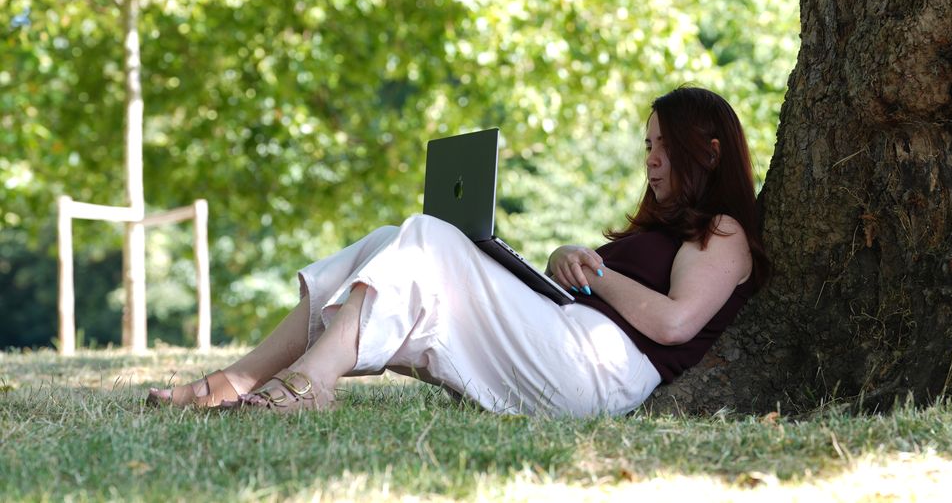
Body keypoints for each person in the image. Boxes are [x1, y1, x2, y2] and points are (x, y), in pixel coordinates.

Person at [147, 86, 769, 416]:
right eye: (647, 146)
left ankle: (311, 382)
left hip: (601, 371)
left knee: (428, 233)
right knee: (388, 241)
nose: (651, 160)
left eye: (664, 146)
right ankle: (235, 381)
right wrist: (565, 264)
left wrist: (596, 273)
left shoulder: (724, 232)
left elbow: (674, 322)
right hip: (568, 341)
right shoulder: (666, 228)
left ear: (709, 151)